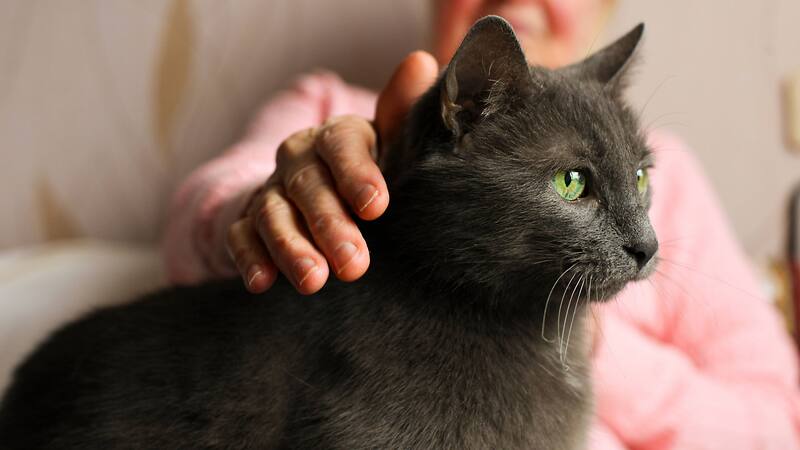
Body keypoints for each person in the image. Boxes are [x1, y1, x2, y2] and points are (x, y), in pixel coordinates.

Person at [162, 0, 800, 447]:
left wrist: (580, 341)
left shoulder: (670, 166)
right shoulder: (329, 109)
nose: (643, 240)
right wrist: (281, 209)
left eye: (637, 180)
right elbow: (206, 212)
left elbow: (781, 419)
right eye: (574, 183)